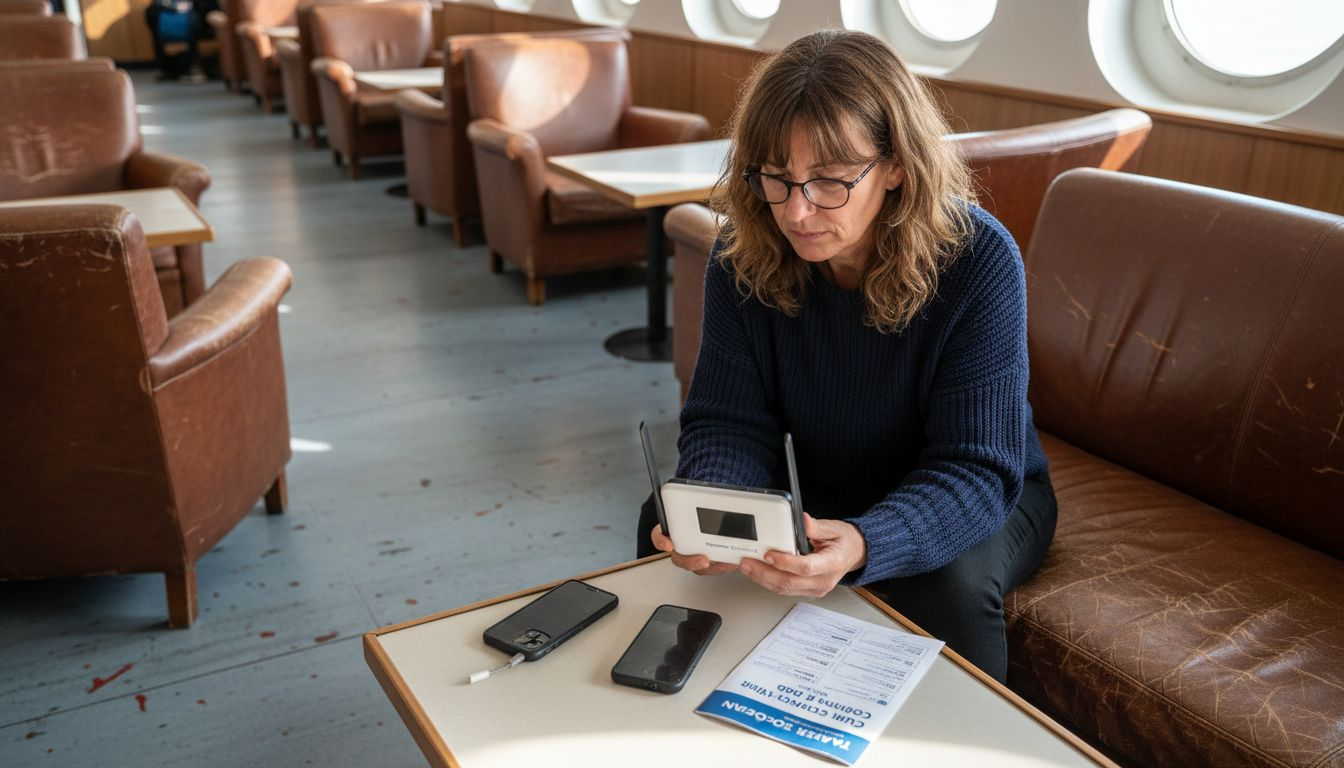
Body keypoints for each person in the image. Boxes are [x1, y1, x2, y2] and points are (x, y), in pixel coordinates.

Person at [636, 29, 1055, 684]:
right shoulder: (739, 256)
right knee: (668, 517)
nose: (797, 211)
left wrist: (867, 542)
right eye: (777, 177)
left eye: (830, 181)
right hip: (816, 480)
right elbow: (726, 422)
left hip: (980, 487)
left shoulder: (979, 260)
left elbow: (976, 465)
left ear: (894, 167)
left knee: (944, 580)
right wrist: (717, 507)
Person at [144, 0, 218, 83]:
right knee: (152, 12)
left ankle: (196, 66)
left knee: (194, 20)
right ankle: (167, 69)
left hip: (195, 15)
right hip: (171, 14)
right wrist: (175, 8)